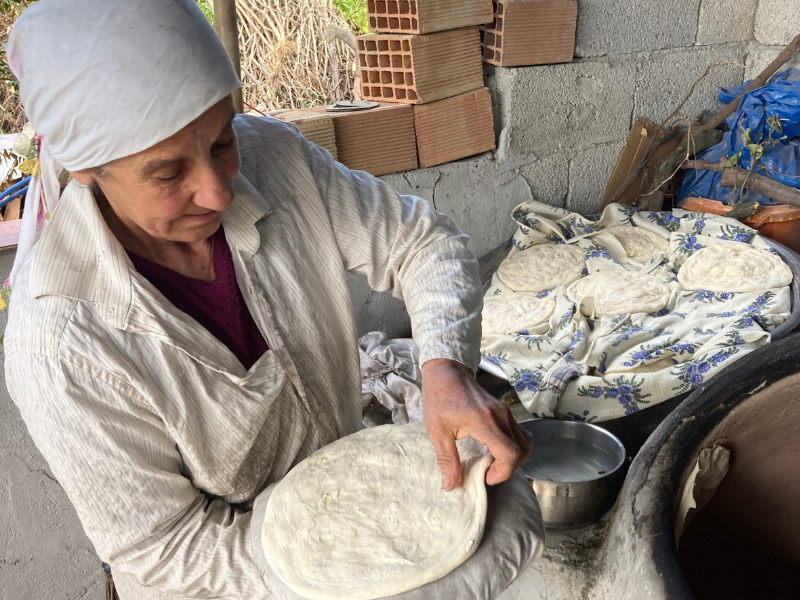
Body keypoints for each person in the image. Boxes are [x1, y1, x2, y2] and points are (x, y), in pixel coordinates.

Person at [4, 1, 532, 598]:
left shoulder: (275, 159)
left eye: (220, 140)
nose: (218, 190)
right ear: (87, 171)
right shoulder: (60, 346)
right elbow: (167, 550)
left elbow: (422, 242)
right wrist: (341, 555)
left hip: (348, 502)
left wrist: (444, 367)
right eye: (168, 173)